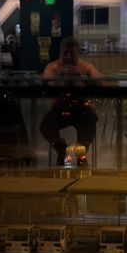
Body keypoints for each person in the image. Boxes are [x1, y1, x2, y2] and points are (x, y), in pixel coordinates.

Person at [39, 37, 101, 165]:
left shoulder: (85, 67)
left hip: (82, 109)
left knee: (90, 120)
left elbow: (99, 81)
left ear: (77, 53)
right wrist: (57, 77)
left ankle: (81, 154)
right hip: (60, 109)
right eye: (64, 54)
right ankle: (62, 150)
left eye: (71, 54)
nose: (67, 57)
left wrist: (82, 78)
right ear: (60, 53)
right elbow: (46, 82)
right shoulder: (53, 67)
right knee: (45, 126)